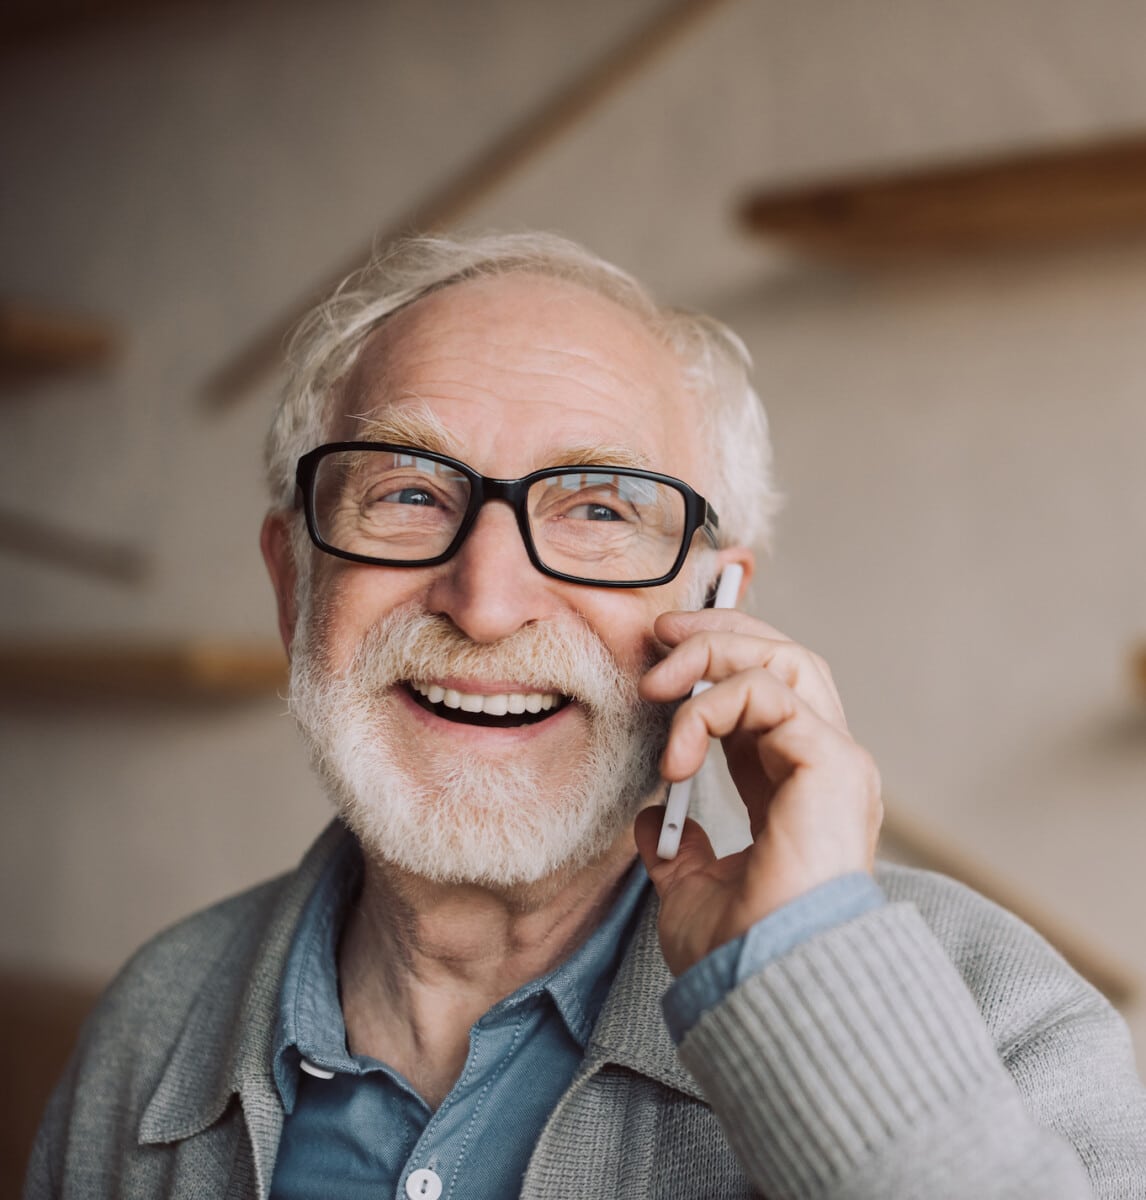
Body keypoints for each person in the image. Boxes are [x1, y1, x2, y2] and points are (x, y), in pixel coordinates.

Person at [25, 232, 1146, 1199]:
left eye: (599, 508)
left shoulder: (1002, 1013)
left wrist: (808, 991)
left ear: (716, 609)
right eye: (410, 493)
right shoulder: (152, 1023)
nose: (488, 600)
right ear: (294, 588)